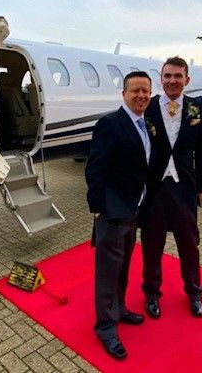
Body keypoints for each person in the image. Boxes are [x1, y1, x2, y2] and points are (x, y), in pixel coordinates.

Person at [85, 71, 153, 360]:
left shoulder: (144, 124)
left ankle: (120, 308)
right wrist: (99, 207)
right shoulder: (110, 124)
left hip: (133, 208)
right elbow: (95, 168)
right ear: (124, 94)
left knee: (123, 265)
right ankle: (106, 327)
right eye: (135, 91)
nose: (141, 96)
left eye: (146, 92)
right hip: (113, 211)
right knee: (107, 272)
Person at [141, 56, 202, 319]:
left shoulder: (199, 108)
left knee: (189, 244)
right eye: (167, 76)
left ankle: (194, 293)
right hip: (154, 187)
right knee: (152, 244)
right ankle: (151, 294)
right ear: (161, 79)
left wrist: (200, 186)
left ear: (186, 80)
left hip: (185, 187)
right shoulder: (148, 106)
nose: (172, 81)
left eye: (177, 76)